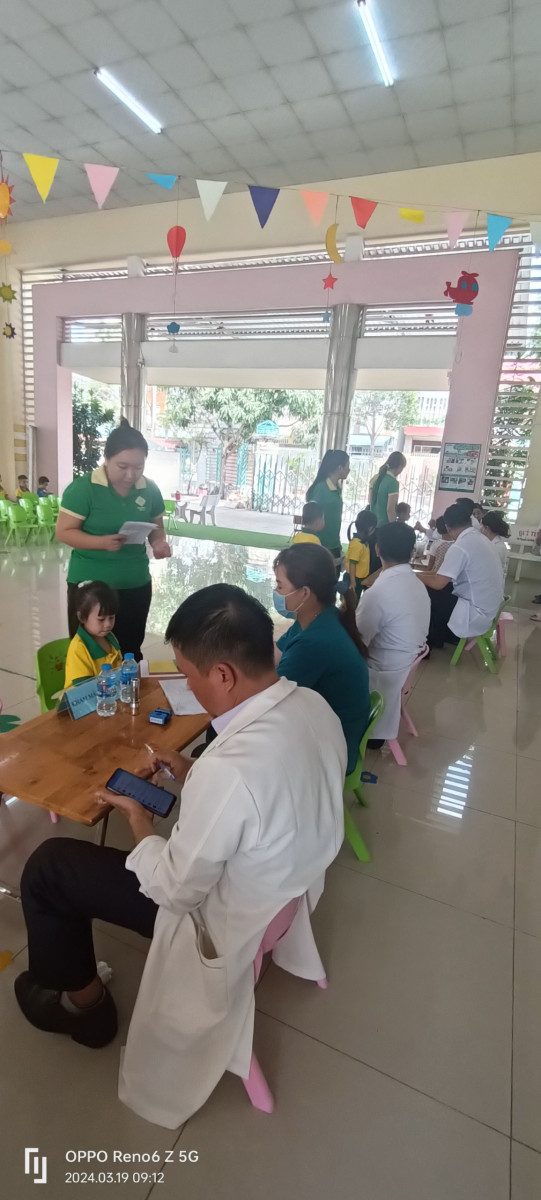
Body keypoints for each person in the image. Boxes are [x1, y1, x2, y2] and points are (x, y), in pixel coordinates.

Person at [14, 584, 346, 1129]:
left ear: (223, 675)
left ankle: (86, 1010)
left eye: (188, 675)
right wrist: (193, 772)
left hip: (215, 918)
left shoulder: (230, 770)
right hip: (282, 889)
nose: (186, 686)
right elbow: (269, 798)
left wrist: (138, 820)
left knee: (50, 866)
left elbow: (173, 890)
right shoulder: (313, 707)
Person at [56, 419, 171, 661]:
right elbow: (64, 532)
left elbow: (156, 527)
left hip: (135, 583)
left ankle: (129, 686)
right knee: (89, 653)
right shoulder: (83, 489)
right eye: (122, 466)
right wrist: (102, 543)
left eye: (138, 467)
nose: (131, 475)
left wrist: (159, 543)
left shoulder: (150, 489)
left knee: (129, 650)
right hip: (91, 587)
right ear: (106, 458)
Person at [273, 543, 370, 774]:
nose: (276, 591)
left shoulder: (315, 642)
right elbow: (276, 654)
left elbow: (271, 698)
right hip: (327, 731)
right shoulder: (319, 616)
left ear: (305, 592)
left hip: (330, 752)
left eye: (280, 585)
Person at [356, 522, 430, 745]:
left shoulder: (378, 593)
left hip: (384, 671)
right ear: (412, 551)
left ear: (377, 550)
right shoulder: (416, 584)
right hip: (404, 665)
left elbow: (357, 642)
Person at [418, 503, 504, 649]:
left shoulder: (460, 546)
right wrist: (417, 574)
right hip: (490, 608)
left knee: (428, 591)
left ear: (447, 527)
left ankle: (432, 640)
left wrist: (413, 576)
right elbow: (441, 575)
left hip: (475, 614)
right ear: (469, 521)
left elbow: (438, 582)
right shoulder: (481, 539)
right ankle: (440, 635)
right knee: (443, 588)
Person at [64, 581, 122, 689]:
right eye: (101, 619)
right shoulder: (78, 649)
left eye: (111, 617)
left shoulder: (110, 638)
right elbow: (83, 690)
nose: (108, 624)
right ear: (82, 617)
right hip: (84, 697)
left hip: (109, 693)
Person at [306, 449, 350, 566]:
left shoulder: (336, 488)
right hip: (321, 546)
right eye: (347, 466)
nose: (349, 470)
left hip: (333, 544)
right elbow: (311, 519)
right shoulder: (321, 489)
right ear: (340, 468)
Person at [345, 509, 377, 598]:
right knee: (352, 601)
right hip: (353, 578)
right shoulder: (357, 544)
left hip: (359, 578)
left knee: (356, 599)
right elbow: (352, 563)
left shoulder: (363, 542)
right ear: (370, 528)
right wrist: (353, 582)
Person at [369, 451, 407, 526]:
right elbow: (390, 509)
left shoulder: (377, 479)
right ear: (400, 467)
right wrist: (393, 527)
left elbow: (370, 500)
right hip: (384, 525)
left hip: (373, 524)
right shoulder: (393, 482)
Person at [481, 510, 510, 578]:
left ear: (486, 528)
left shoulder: (498, 547)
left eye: (482, 526)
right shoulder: (490, 542)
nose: (481, 528)